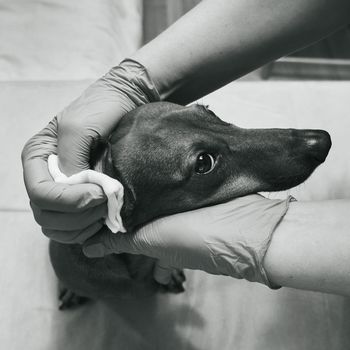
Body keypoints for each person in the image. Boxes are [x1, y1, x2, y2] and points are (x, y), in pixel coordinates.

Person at [22, 0, 350, 296]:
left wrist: (136, 82)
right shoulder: (83, 258)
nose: (312, 142)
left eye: (206, 114)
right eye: (204, 162)